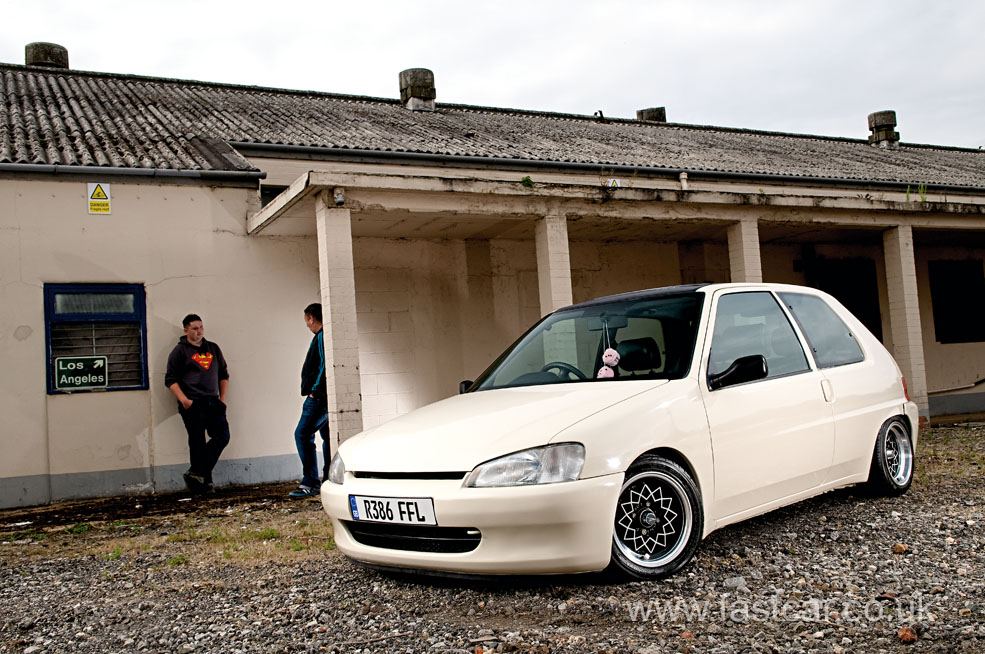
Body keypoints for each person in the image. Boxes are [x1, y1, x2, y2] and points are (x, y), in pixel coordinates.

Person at [165, 314, 230, 493]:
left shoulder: (213, 349)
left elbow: (223, 375)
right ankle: (203, 484)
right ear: (186, 330)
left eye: (201, 327)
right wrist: (185, 400)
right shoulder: (179, 351)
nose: (199, 331)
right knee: (197, 442)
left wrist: (222, 399)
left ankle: (196, 472)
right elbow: (170, 380)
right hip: (193, 403)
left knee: (222, 436)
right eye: (194, 328)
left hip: (213, 401)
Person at [289, 303, 331, 499]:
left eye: (307, 321)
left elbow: (324, 366)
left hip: (319, 398)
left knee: (302, 434)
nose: (307, 325)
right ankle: (329, 478)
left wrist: (315, 392)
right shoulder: (323, 336)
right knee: (328, 437)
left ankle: (310, 482)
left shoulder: (322, 336)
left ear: (311, 319)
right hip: (324, 396)